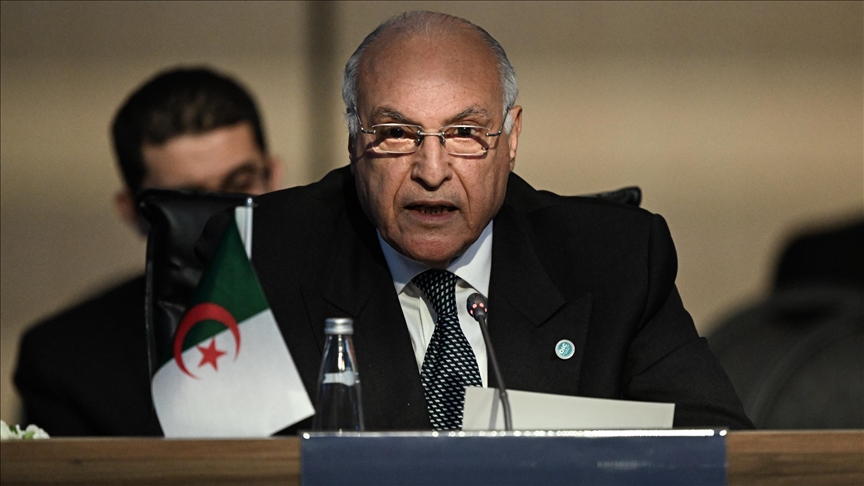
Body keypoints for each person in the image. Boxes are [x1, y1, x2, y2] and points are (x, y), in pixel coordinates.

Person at [202, 11, 753, 432]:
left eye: (465, 133)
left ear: (511, 139)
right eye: (397, 134)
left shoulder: (616, 260)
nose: (431, 171)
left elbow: (715, 444)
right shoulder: (261, 256)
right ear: (354, 141)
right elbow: (205, 459)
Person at [14, 67, 281, 436]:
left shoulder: (346, 307)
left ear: (274, 176)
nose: (220, 217)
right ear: (132, 212)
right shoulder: (65, 360)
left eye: (239, 184)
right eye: (186, 201)